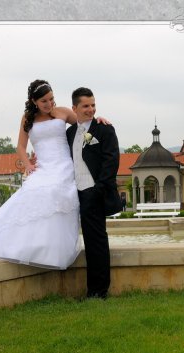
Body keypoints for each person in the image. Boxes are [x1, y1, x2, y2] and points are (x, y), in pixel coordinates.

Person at [0, 79, 108, 269]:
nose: (49, 103)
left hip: (64, 166)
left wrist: (99, 119)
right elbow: (20, 146)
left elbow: (85, 121)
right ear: (34, 101)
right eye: (44, 101)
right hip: (43, 167)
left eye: (51, 99)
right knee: (32, 192)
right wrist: (28, 165)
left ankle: (54, 250)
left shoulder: (63, 112)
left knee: (56, 192)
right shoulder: (27, 118)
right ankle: (25, 246)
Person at [67, 87, 122, 299]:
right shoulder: (70, 133)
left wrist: (98, 189)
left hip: (94, 192)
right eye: (86, 106)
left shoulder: (104, 129)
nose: (91, 109)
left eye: (93, 105)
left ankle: (99, 291)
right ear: (75, 108)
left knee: (96, 242)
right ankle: (93, 289)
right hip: (75, 193)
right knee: (87, 242)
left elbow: (111, 160)